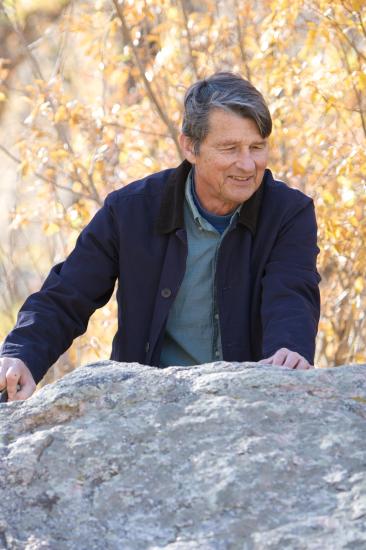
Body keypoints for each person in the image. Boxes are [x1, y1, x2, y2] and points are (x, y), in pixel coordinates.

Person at [0, 72, 321, 402]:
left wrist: (289, 350)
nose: (247, 164)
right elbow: (68, 294)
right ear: (190, 147)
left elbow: (292, 293)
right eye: (229, 148)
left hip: (248, 403)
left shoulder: (288, 213)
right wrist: (21, 354)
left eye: (257, 147)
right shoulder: (131, 210)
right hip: (148, 405)